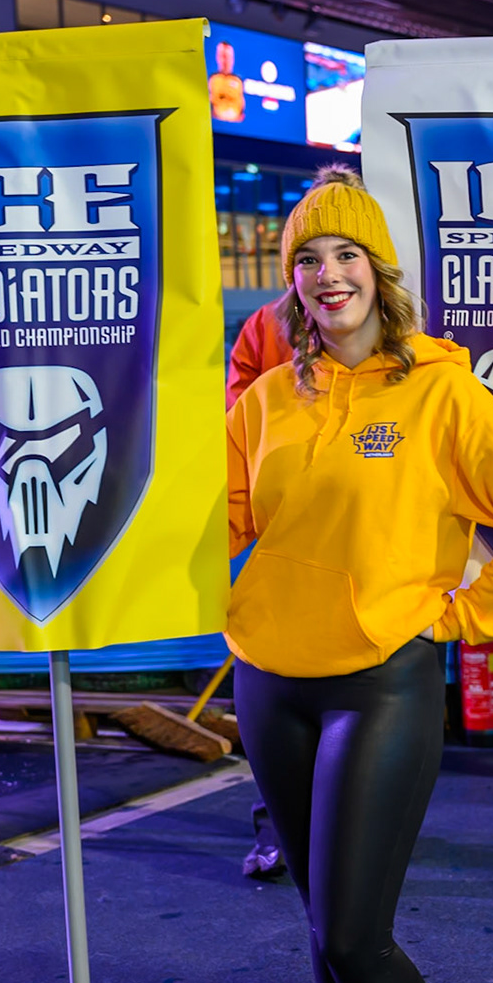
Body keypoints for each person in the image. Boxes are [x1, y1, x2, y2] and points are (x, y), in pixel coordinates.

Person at [227, 166, 493, 983]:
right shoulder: (264, 400)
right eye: (307, 257)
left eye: (346, 254)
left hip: (378, 684)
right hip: (270, 677)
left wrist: (465, 617)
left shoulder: (440, 390)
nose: (327, 273)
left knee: (352, 930)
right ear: (290, 278)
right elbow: (217, 520)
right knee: (320, 924)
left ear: (379, 272)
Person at [225, 295, 297, 878]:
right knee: (280, 725)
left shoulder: (400, 321)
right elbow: (239, 422)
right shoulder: (266, 327)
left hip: (371, 568)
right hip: (284, 551)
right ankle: (278, 831)